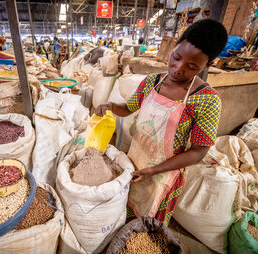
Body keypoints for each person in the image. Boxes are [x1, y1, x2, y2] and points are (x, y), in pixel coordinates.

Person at [95, 19, 228, 225]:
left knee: (148, 227)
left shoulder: (207, 100)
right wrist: (110, 106)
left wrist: (154, 170)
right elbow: (127, 108)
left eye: (191, 67)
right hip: (134, 163)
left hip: (163, 176)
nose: (178, 69)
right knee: (124, 216)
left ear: (207, 65)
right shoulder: (152, 82)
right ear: (173, 48)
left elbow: (198, 151)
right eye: (176, 58)